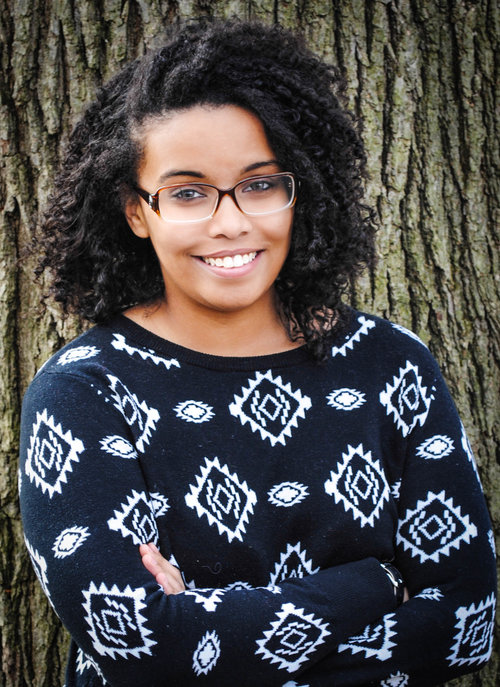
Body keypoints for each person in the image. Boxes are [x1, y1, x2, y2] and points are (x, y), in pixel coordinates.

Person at [19, 18, 496, 687]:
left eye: (261, 184)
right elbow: (144, 650)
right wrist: (379, 582)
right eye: (188, 193)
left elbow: (467, 625)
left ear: (300, 192)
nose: (231, 222)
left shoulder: (391, 365)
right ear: (135, 211)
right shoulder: (85, 391)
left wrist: (205, 630)